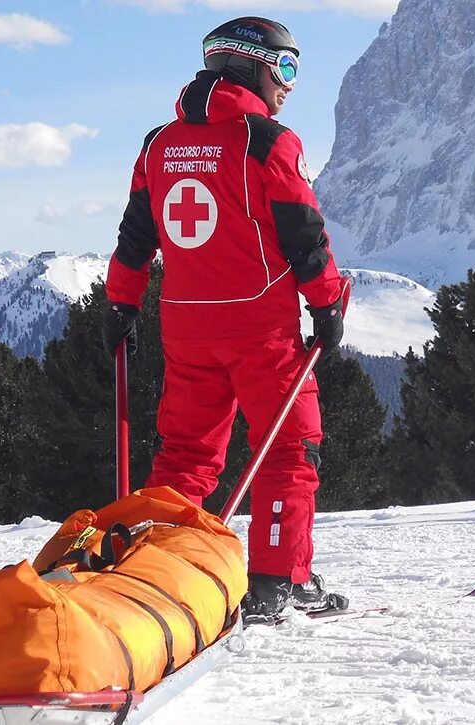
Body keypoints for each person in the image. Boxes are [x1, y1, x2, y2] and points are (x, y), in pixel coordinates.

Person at [101, 16, 347, 620]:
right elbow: (303, 234)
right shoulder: (267, 140)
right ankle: (276, 583)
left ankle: (159, 576)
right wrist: (327, 302)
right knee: (290, 449)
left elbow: (136, 236)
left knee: (185, 454)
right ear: (249, 65)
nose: (290, 83)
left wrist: (121, 304)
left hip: (185, 329)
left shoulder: (159, 144)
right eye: (285, 67)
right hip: (261, 330)